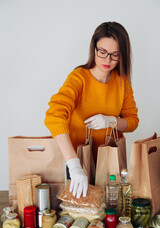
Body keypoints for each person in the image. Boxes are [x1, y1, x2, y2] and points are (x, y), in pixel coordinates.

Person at [44, 21, 139, 199]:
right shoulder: (78, 78)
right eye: (102, 52)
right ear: (93, 48)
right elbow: (54, 116)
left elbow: (133, 121)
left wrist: (112, 120)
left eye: (115, 55)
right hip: (79, 161)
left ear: (122, 55)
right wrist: (73, 165)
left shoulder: (122, 82)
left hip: (109, 163)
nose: (107, 60)